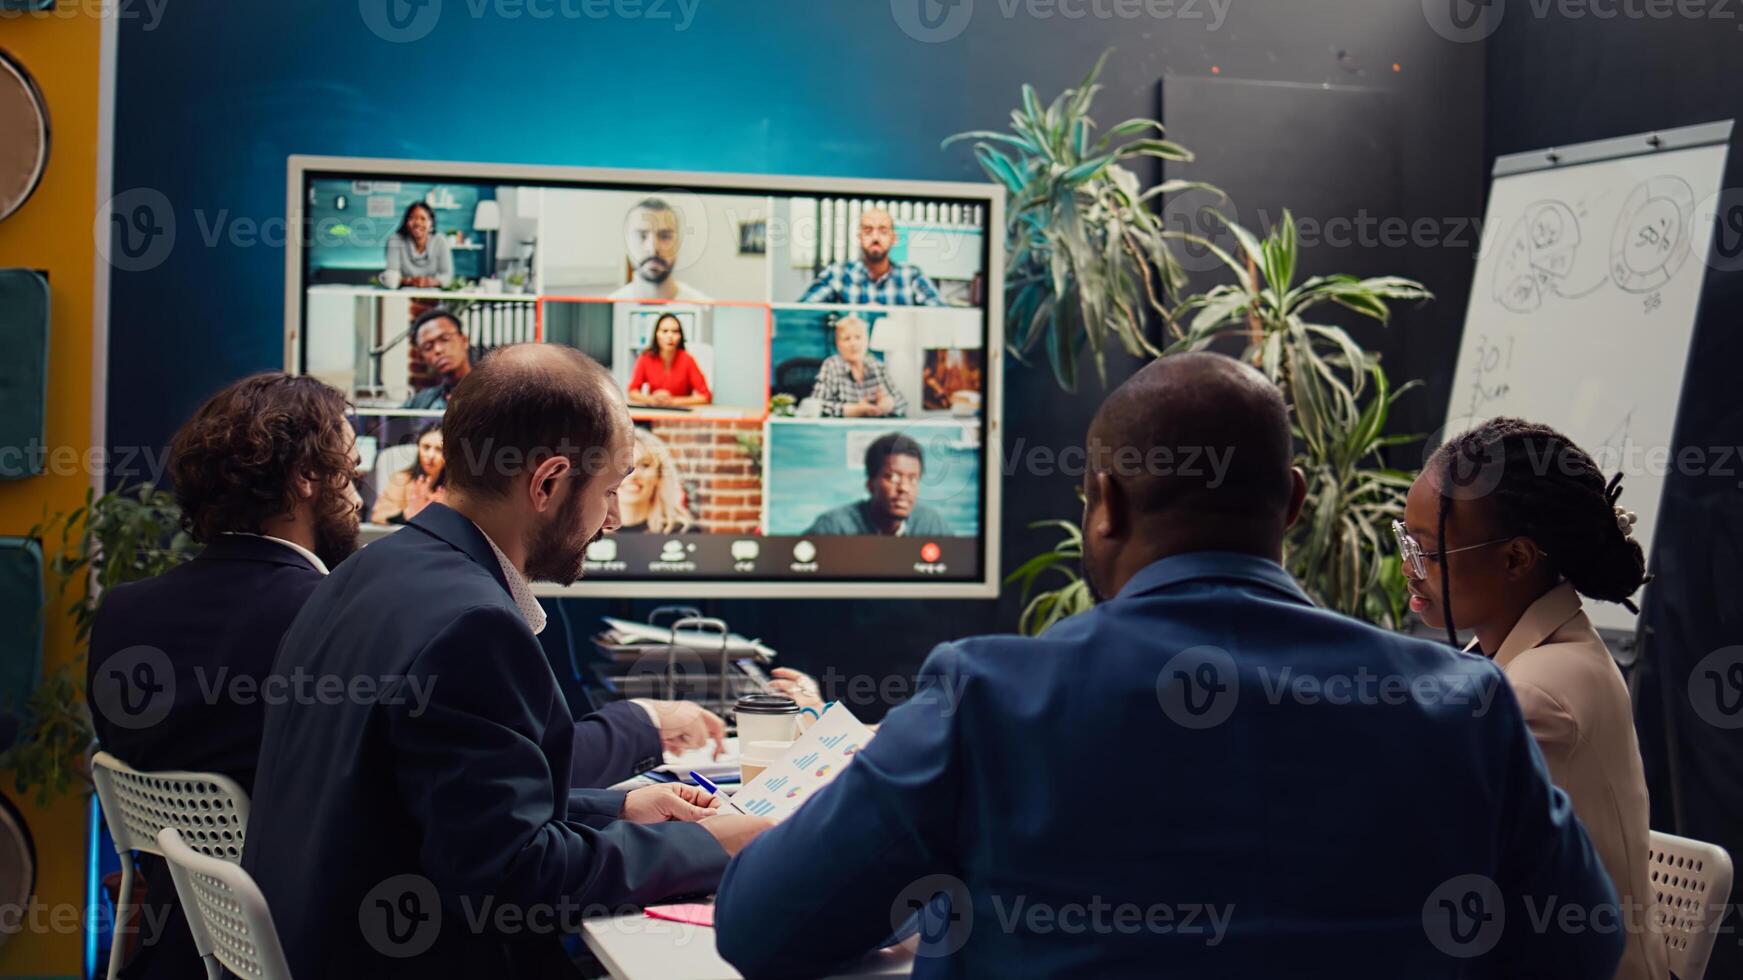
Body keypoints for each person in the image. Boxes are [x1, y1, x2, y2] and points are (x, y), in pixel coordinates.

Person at [716, 352, 1623, 979]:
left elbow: (761, 927)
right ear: (1295, 503)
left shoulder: (986, 698)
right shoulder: (1464, 709)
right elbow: (1581, 953)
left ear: (1103, 504)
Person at [243, 345, 770, 978]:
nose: (610, 520)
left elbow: (449, 815)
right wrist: (709, 844)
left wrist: (618, 807)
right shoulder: (474, 627)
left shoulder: (361, 574)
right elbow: (515, 880)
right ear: (547, 484)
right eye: (608, 492)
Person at [86, 373, 364, 980]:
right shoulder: (335, 619)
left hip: (174, 955)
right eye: (350, 471)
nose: (360, 495)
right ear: (306, 478)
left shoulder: (122, 614)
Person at [1400, 417, 1668, 980]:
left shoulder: (1542, 691)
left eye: (1426, 551)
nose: (1409, 569)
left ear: (1518, 559)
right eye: (1405, 542)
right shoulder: (1516, 651)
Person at [803, 432, 950, 536]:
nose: (904, 488)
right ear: (870, 484)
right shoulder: (833, 527)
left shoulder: (931, 524)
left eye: (913, 479)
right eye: (893, 477)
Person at [797, 207, 944, 306]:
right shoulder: (839, 274)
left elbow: (943, 316)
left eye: (883, 231)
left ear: (894, 238)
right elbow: (802, 311)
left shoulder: (911, 276)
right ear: (859, 237)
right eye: (868, 231)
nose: (875, 237)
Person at [608, 197, 711, 301]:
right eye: (642, 236)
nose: (653, 249)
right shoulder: (611, 304)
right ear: (627, 244)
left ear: (678, 244)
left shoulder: (704, 305)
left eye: (665, 236)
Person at [809, 314, 907, 418]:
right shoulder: (832, 365)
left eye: (858, 337)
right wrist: (853, 410)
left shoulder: (877, 365)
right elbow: (816, 406)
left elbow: (901, 402)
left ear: (867, 340)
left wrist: (889, 404)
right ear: (838, 344)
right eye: (847, 339)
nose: (853, 343)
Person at [627, 312, 712, 407]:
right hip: (654, 414)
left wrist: (672, 401)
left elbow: (706, 396)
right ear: (656, 334)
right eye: (665, 331)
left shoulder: (687, 359)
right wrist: (651, 399)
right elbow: (632, 391)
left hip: (680, 416)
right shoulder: (645, 358)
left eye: (675, 331)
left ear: (680, 336)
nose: (670, 336)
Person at [617, 427, 692, 534]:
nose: (633, 475)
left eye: (645, 465)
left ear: (659, 475)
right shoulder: (587, 534)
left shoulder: (683, 533)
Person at [370, 422, 447, 524]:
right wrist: (406, 515)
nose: (431, 455)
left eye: (439, 449)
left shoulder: (455, 487)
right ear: (418, 447)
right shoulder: (401, 479)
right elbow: (378, 515)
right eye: (426, 447)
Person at [402, 308, 471, 411]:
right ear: (423, 357)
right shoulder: (422, 401)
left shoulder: (494, 392)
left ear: (464, 340)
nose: (438, 350)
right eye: (428, 347)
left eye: (445, 339)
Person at [384, 201, 453, 288]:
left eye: (423, 219)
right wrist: (410, 281)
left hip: (434, 296)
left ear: (431, 223)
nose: (417, 223)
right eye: (412, 218)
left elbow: (447, 276)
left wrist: (430, 282)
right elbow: (391, 277)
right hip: (402, 297)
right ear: (406, 222)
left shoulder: (440, 240)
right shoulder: (395, 240)